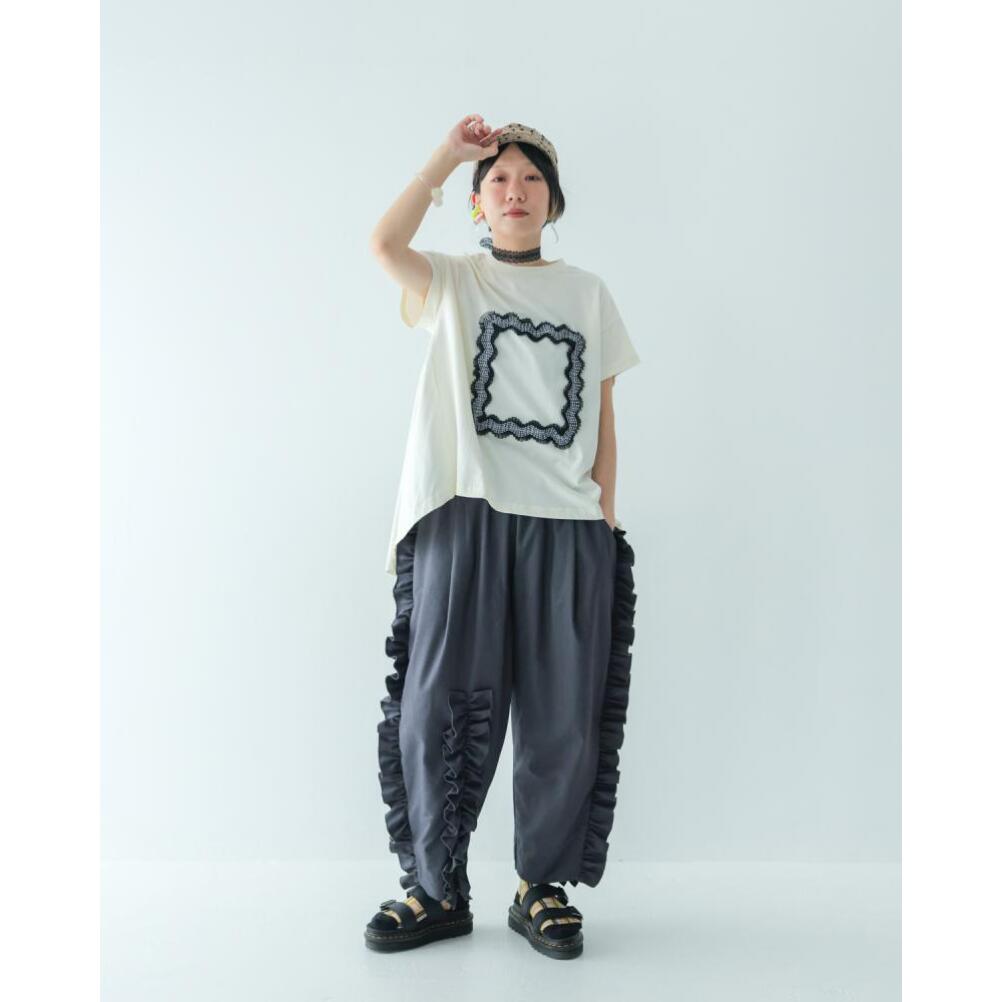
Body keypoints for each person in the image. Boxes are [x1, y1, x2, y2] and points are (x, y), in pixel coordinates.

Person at [363, 115, 639, 960]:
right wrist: (448, 158)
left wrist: (605, 517)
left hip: (567, 524)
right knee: (438, 703)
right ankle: (435, 888)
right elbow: (383, 244)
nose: (515, 191)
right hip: (466, 510)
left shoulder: (588, 293)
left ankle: (540, 886)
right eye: (499, 180)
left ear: (554, 202)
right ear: (478, 204)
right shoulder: (453, 280)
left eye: (531, 179)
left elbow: (603, 415)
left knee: (564, 711)